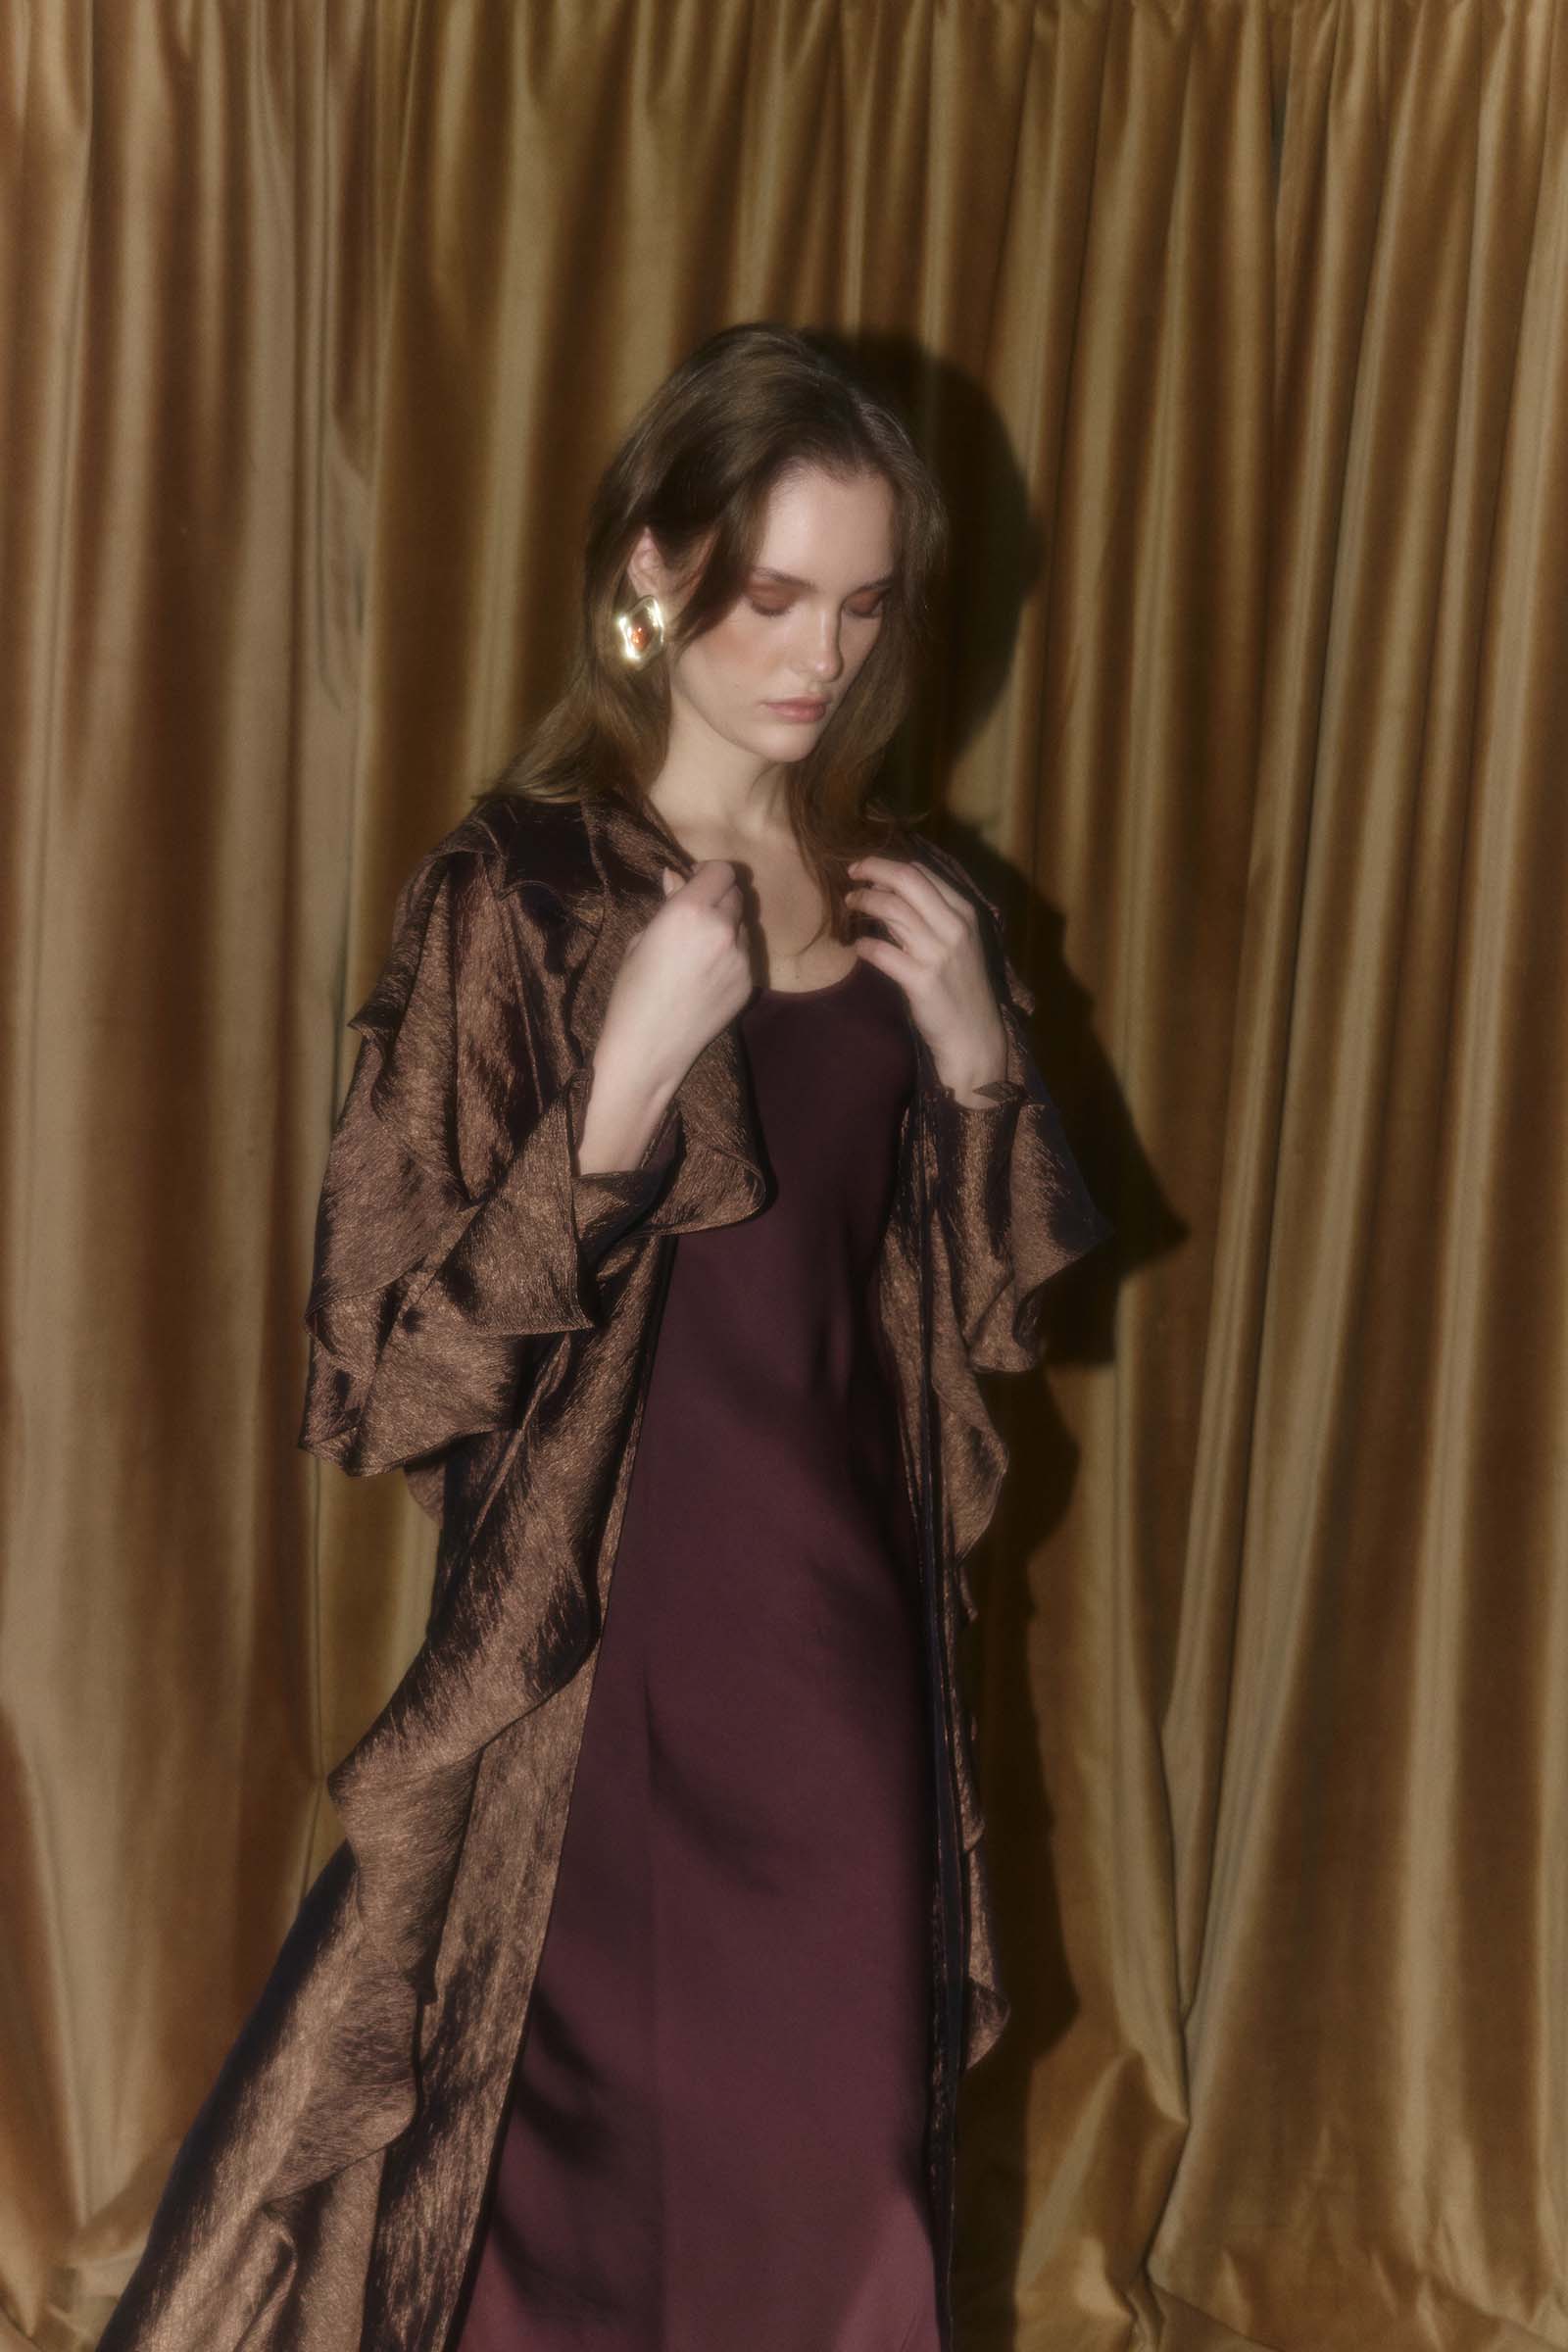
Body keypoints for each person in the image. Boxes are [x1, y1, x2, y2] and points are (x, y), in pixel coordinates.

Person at [98, 321, 1112, 2352]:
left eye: (864, 605)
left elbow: (993, 1318)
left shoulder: (911, 900)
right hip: (593, 1666)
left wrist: (983, 1066)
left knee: (846, 2196)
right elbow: (381, 1373)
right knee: (551, 2211)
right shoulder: (518, 892)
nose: (821, 656)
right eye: (773, 596)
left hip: (842, 1653)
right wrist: (622, 1095)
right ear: (654, 568)